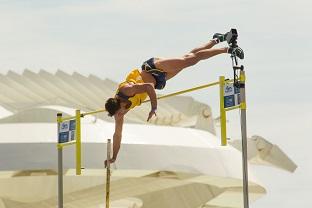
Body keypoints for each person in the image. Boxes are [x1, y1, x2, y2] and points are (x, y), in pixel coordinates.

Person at [104, 32, 244, 166]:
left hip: (153, 68)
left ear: (119, 103)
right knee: (190, 57)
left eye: (120, 112)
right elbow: (117, 134)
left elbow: (148, 88)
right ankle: (216, 39)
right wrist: (114, 157)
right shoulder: (119, 113)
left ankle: (227, 49)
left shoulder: (126, 90)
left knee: (189, 60)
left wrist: (154, 108)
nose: (121, 115)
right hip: (158, 81)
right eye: (119, 115)